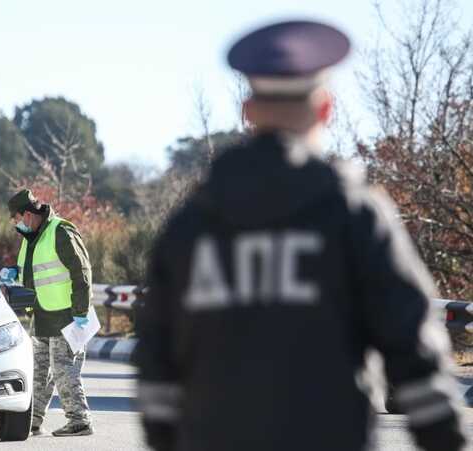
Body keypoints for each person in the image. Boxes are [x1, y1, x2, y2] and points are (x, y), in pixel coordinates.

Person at [135, 20, 467, 451]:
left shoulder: (190, 226)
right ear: (326, 108)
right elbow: (414, 349)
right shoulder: (355, 216)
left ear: (248, 110)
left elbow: (157, 364)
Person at [7, 188, 93, 437]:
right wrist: (15, 271)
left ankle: (80, 420)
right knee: (38, 372)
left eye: (16, 218)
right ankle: (32, 421)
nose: (16, 223)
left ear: (27, 214)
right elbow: (37, 270)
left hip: (67, 316)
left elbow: (82, 271)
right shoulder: (33, 237)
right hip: (42, 316)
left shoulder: (60, 231)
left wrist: (81, 312)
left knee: (64, 370)